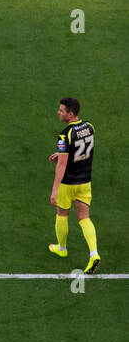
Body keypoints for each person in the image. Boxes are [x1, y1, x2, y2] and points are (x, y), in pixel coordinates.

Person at [47, 97, 100, 274]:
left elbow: (62, 165)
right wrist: (62, 153)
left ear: (71, 113)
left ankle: (61, 248)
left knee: (62, 213)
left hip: (68, 183)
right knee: (84, 217)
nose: (58, 112)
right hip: (85, 181)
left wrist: (54, 189)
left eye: (61, 110)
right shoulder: (90, 127)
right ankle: (94, 254)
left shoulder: (65, 135)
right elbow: (82, 149)